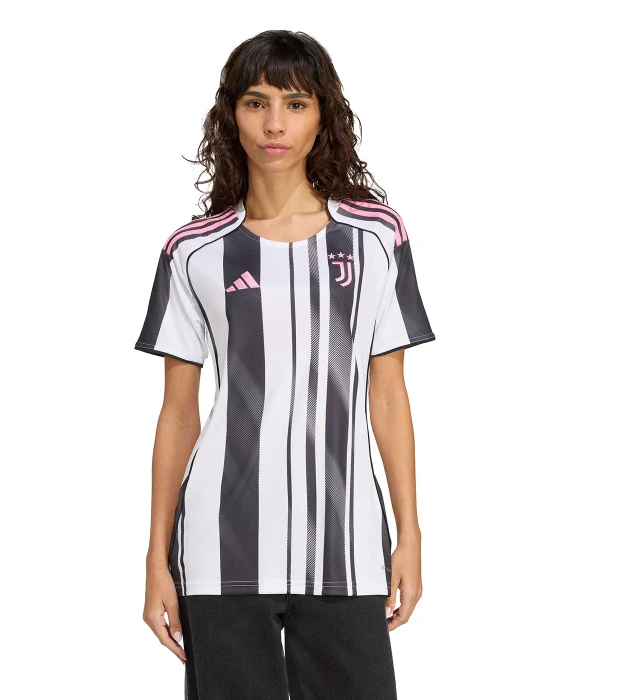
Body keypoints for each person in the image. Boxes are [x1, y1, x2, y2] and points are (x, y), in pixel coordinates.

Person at [134, 29, 436, 700]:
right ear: (231, 115)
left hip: (346, 543)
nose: (275, 124)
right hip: (219, 547)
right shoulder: (193, 251)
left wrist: (409, 535)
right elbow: (179, 412)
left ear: (323, 115)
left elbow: (388, 395)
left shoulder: (376, 237)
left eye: (295, 104)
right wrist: (156, 558)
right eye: (256, 102)